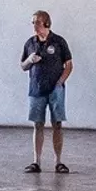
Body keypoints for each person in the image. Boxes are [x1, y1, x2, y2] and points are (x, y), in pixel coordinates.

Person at [19, 10, 72, 172]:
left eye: (37, 22)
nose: (34, 26)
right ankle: (37, 161)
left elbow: (69, 65)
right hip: (36, 89)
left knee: (57, 124)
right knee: (38, 124)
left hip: (55, 89)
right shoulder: (30, 43)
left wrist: (60, 82)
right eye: (33, 22)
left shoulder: (58, 41)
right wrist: (30, 60)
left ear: (47, 23)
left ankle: (58, 162)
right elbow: (22, 66)